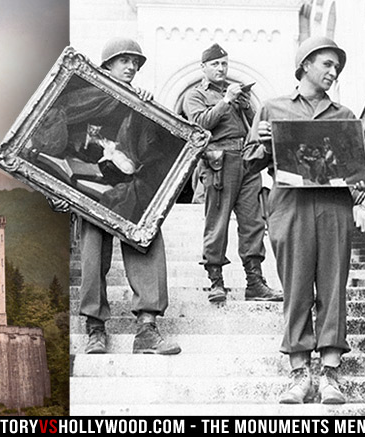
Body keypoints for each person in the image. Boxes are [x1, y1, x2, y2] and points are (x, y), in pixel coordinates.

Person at [243, 35, 365, 405]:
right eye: (327, 64)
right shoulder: (272, 108)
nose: (333, 72)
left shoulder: (344, 116)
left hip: (334, 209)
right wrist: (262, 141)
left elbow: (358, 172)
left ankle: (330, 375)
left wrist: (360, 182)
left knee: (332, 288)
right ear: (306, 65)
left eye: (337, 67)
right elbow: (250, 164)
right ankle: (300, 375)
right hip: (290, 208)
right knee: (296, 289)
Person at [51, 37, 181, 355]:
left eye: (136, 63)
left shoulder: (139, 103)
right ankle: (95, 329)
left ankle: (147, 329)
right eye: (125, 60)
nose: (132, 67)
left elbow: (156, 152)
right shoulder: (78, 100)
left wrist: (146, 110)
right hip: (89, 188)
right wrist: (54, 189)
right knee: (93, 257)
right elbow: (53, 144)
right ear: (106, 64)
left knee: (147, 242)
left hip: (131, 189)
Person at [184, 43, 282, 303]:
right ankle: (216, 282)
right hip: (218, 162)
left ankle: (255, 283)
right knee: (217, 222)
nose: (221, 68)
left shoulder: (235, 95)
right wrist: (226, 100)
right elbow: (199, 125)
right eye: (215, 64)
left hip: (247, 161)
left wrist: (246, 105)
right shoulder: (195, 95)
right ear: (203, 68)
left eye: (224, 63)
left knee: (253, 223)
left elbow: (254, 126)